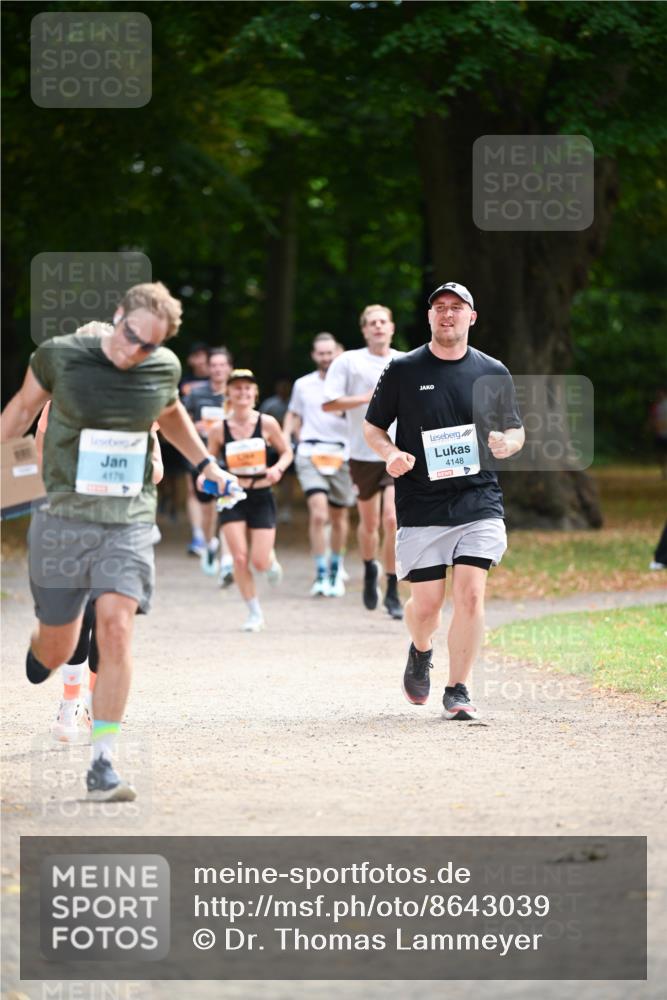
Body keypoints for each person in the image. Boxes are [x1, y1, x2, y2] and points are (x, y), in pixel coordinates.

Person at [0, 282, 237, 800]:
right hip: (63, 515)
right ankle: (45, 647)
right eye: (130, 337)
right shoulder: (60, 358)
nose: (135, 351)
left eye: (148, 346)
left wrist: (204, 463)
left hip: (126, 517)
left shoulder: (161, 368)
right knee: (61, 643)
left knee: (115, 625)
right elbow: (20, 411)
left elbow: (171, 413)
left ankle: (103, 762)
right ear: (118, 316)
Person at [364, 282, 524, 720]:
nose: (447, 314)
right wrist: (391, 453)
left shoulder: (493, 371)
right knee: (428, 605)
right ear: (430, 316)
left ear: (472, 317)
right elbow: (373, 428)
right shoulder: (403, 369)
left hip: (478, 498)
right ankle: (420, 649)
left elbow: (515, 428)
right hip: (421, 502)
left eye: (456, 308)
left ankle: (458, 688)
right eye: (439, 308)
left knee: (471, 595)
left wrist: (509, 444)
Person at [35, 401, 165, 743]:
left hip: (122, 525)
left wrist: (122, 464)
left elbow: (157, 470)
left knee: (108, 618)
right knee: (80, 617)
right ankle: (69, 700)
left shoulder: (139, 403)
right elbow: (41, 461)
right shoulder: (60, 403)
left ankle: (94, 701)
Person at [323, 304, 404, 618]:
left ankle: (392, 586)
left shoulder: (404, 361)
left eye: (383, 321)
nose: (378, 327)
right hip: (361, 452)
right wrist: (367, 398)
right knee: (369, 523)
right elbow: (329, 403)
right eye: (372, 323)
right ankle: (370, 568)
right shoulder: (348, 361)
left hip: (396, 451)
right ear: (364, 330)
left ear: (392, 327)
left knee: (392, 520)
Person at [207, 369, 293, 632]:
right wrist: (207, 475)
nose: (242, 393)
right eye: (237, 388)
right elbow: (208, 460)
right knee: (239, 558)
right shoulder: (218, 429)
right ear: (229, 393)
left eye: (247, 388)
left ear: (254, 393)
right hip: (232, 495)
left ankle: (269, 560)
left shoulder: (266, 423)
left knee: (258, 561)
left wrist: (278, 468)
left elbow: (287, 452)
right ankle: (254, 613)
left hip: (261, 494)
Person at [284, 333, 355, 597]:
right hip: (310, 452)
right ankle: (320, 573)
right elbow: (293, 412)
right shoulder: (303, 385)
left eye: (330, 353)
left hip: (342, 455)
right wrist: (285, 437)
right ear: (314, 355)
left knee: (339, 518)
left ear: (339, 353)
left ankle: (336, 570)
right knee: (318, 513)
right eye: (321, 353)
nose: (326, 358)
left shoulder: (351, 386)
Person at [184, 347, 234, 580]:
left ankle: (226, 560)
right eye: (214, 365)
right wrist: (196, 428)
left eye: (222, 365)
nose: (218, 369)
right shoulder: (196, 394)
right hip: (202, 458)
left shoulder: (237, 393)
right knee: (208, 510)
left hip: (230, 458)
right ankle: (209, 543)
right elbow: (179, 423)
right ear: (208, 368)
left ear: (229, 368)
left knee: (227, 504)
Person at [179, 342, 211, 555]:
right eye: (196, 356)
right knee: (192, 489)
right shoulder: (185, 383)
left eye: (204, 356)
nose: (200, 360)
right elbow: (178, 412)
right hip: (192, 442)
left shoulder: (224, 383)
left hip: (219, 445)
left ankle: (213, 536)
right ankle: (198, 536)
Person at [260, 376, 296, 524]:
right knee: (269, 476)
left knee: (288, 479)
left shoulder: (294, 405)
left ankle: (286, 507)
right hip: (270, 449)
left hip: (289, 445)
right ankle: (271, 504)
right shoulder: (269, 404)